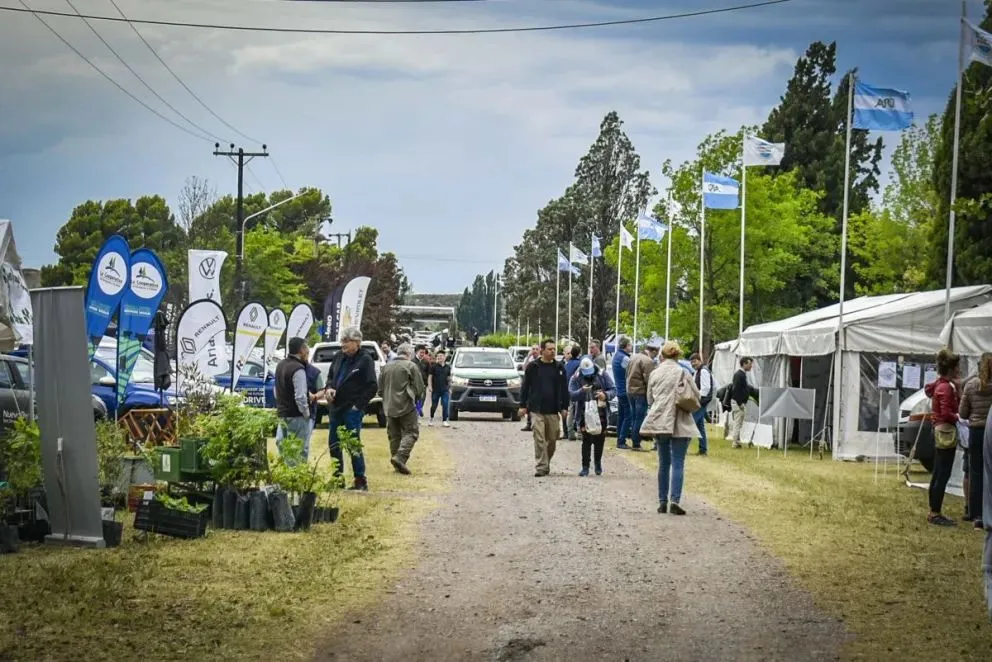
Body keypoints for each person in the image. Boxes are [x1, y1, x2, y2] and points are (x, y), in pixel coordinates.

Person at [640, 341, 701, 515]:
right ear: (678, 355)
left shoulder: (655, 373)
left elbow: (650, 399)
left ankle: (662, 501)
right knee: (678, 462)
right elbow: (695, 394)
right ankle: (675, 499)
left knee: (663, 462)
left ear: (662, 355)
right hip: (679, 418)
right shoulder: (683, 371)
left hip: (660, 420)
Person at [327, 326, 377, 491]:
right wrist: (329, 388)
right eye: (342, 341)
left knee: (352, 445)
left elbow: (372, 386)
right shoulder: (339, 357)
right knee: (333, 443)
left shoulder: (365, 359)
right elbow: (330, 377)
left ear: (357, 342)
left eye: (346, 341)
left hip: (352, 409)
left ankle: (360, 479)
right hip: (336, 407)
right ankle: (337, 478)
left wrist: (358, 406)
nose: (343, 344)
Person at [519, 339, 569, 477]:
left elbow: (564, 389)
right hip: (536, 409)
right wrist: (523, 405)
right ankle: (541, 466)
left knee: (552, 439)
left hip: (553, 410)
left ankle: (546, 461)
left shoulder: (559, 367)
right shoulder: (533, 367)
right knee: (539, 438)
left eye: (554, 349)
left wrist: (565, 407)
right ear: (542, 350)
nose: (553, 351)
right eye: (550, 349)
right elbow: (525, 387)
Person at [924, 348, 962, 526]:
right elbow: (947, 413)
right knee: (943, 473)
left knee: (938, 471)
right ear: (951, 369)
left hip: (938, 429)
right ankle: (935, 512)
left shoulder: (939, 384)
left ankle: (933, 509)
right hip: (946, 430)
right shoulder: (946, 388)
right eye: (957, 368)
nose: (958, 371)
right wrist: (960, 418)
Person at [378, 343, 426, 475]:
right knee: (411, 432)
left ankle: (397, 463)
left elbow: (380, 389)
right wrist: (417, 399)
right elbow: (419, 388)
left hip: (389, 406)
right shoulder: (411, 366)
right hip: (406, 405)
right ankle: (400, 457)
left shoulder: (386, 367)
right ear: (409, 354)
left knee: (394, 436)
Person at [569, 356, 616, 476]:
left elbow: (613, 389)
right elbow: (571, 394)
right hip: (584, 413)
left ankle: (598, 463)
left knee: (600, 440)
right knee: (586, 440)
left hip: (601, 412)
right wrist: (581, 391)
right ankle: (585, 466)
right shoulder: (576, 377)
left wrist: (605, 395)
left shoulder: (602, 374)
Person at [961, 353, 992, 529]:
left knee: (975, 471)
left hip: (975, 431)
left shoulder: (971, 385)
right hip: (990, 428)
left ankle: (975, 512)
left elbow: (963, 412)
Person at [274, 337, 313, 461]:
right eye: (307, 349)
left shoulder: (280, 365)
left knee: (284, 449)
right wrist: (306, 414)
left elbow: (276, 390)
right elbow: (300, 396)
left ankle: (286, 478)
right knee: (299, 451)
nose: (308, 352)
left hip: (282, 414)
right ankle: (297, 479)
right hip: (297, 416)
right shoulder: (298, 368)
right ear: (301, 350)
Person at [626, 339, 660, 451]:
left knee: (634, 417)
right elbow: (649, 380)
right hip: (640, 392)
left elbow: (627, 373)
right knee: (639, 418)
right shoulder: (648, 361)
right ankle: (636, 443)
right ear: (654, 351)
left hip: (630, 391)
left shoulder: (633, 357)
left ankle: (634, 440)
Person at [728, 357, 759, 448]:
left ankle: (737, 440)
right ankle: (735, 442)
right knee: (738, 422)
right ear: (744, 364)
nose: (751, 366)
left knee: (739, 422)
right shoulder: (739, 375)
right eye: (749, 364)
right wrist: (740, 403)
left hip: (739, 402)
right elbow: (736, 390)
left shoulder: (742, 374)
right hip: (738, 403)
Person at [612, 336, 633, 449]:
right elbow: (631, 372)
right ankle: (622, 440)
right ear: (625, 346)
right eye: (629, 345)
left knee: (621, 416)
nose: (631, 347)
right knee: (628, 416)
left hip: (619, 390)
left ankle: (619, 437)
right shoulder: (625, 358)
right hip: (625, 390)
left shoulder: (616, 356)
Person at [689, 353, 713, 456]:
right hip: (700, 401)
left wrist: (697, 399)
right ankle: (703, 449)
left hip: (701, 402)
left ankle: (682, 448)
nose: (693, 364)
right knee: (700, 426)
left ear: (700, 360)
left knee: (690, 423)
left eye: (694, 361)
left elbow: (705, 389)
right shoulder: (698, 371)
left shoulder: (703, 371)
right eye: (691, 362)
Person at [520, 344, 541, 432]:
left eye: (536, 349)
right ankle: (529, 423)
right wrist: (528, 357)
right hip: (529, 384)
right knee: (529, 404)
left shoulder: (541, 360)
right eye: (533, 349)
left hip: (538, 385)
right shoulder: (529, 359)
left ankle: (536, 423)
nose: (535, 351)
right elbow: (524, 368)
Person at [564, 345, 582, 440]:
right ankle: (579, 432)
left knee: (570, 412)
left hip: (567, 390)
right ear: (579, 353)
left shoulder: (567, 364)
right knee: (578, 411)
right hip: (577, 390)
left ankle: (570, 432)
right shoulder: (579, 364)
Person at [429, 349, 452, 427]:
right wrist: (430, 386)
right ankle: (431, 418)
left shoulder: (448, 367)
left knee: (445, 404)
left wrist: (450, 388)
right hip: (436, 389)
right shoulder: (433, 366)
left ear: (444, 357)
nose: (439, 358)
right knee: (434, 405)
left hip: (445, 389)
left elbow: (449, 378)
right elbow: (430, 377)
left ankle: (444, 420)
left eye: (441, 356)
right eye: (438, 356)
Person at [413, 345, 430, 419]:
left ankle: (419, 409)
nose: (422, 354)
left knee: (422, 398)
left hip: (423, 384)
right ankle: (417, 411)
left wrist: (428, 383)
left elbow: (429, 373)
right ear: (416, 352)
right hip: (414, 384)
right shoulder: (412, 361)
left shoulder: (426, 362)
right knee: (415, 399)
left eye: (424, 352)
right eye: (421, 352)